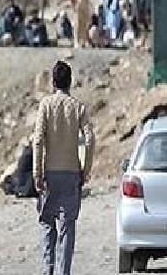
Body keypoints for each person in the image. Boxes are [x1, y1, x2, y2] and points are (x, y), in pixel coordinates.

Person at [33, 61, 94, 275]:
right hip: (71, 173)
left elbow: (38, 140)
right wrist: (85, 170)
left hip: (49, 173)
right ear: (70, 81)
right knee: (67, 226)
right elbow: (90, 139)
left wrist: (37, 173)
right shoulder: (78, 107)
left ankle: (47, 269)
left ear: (53, 82)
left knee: (47, 222)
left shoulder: (46, 105)